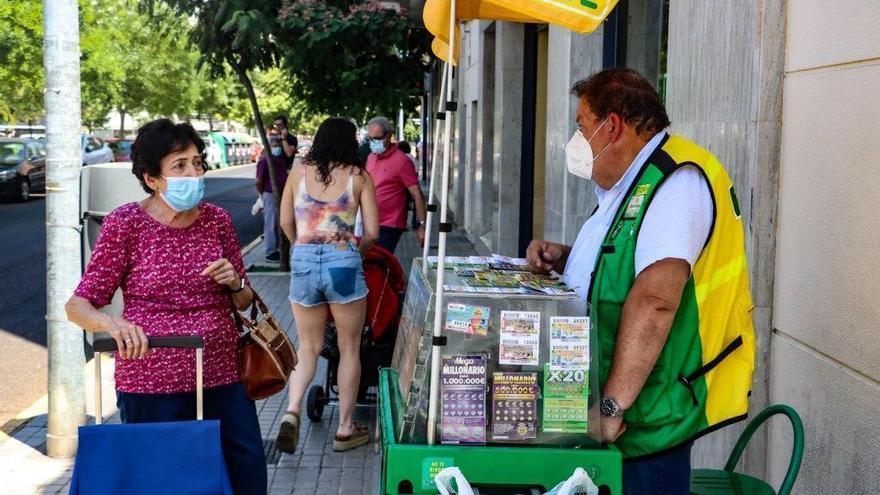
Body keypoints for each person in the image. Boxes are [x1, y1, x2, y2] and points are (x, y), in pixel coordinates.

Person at [526, 68, 756, 495]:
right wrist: (568, 258)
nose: (576, 142)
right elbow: (625, 261)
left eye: (582, 127)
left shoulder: (676, 180)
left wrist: (611, 406)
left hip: (647, 415)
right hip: (626, 406)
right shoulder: (633, 181)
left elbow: (655, 300)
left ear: (612, 127)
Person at [64, 119, 266, 495]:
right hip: (150, 382)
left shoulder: (217, 221)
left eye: (197, 162)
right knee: (160, 482)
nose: (195, 172)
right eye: (180, 165)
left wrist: (235, 283)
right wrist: (112, 324)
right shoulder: (126, 223)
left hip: (222, 375)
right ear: (152, 178)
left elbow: (244, 301)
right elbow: (78, 305)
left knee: (245, 475)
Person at [276, 117, 379, 454]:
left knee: (308, 347)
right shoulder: (359, 176)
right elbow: (374, 234)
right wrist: (355, 253)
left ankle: (291, 411)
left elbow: (285, 222)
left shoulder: (299, 171)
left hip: (304, 258)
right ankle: (346, 429)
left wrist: (299, 247)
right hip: (343, 259)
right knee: (349, 349)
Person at [364, 116, 426, 253]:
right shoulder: (371, 157)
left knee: (379, 261)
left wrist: (422, 225)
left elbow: (417, 194)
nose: (373, 142)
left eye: (377, 138)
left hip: (389, 224)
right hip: (369, 221)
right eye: (370, 139)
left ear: (389, 136)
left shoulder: (402, 161)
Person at [256, 134, 290, 263]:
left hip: (280, 194)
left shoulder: (279, 160)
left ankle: (277, 249)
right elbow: (258, 180)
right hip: (270, 194)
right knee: (270, 223)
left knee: (277, 223)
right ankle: (270, 252)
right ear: (270, 146)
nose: (277, 147)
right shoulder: (265, 160)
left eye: (279, 145)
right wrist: (262, 194)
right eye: (275, 145)